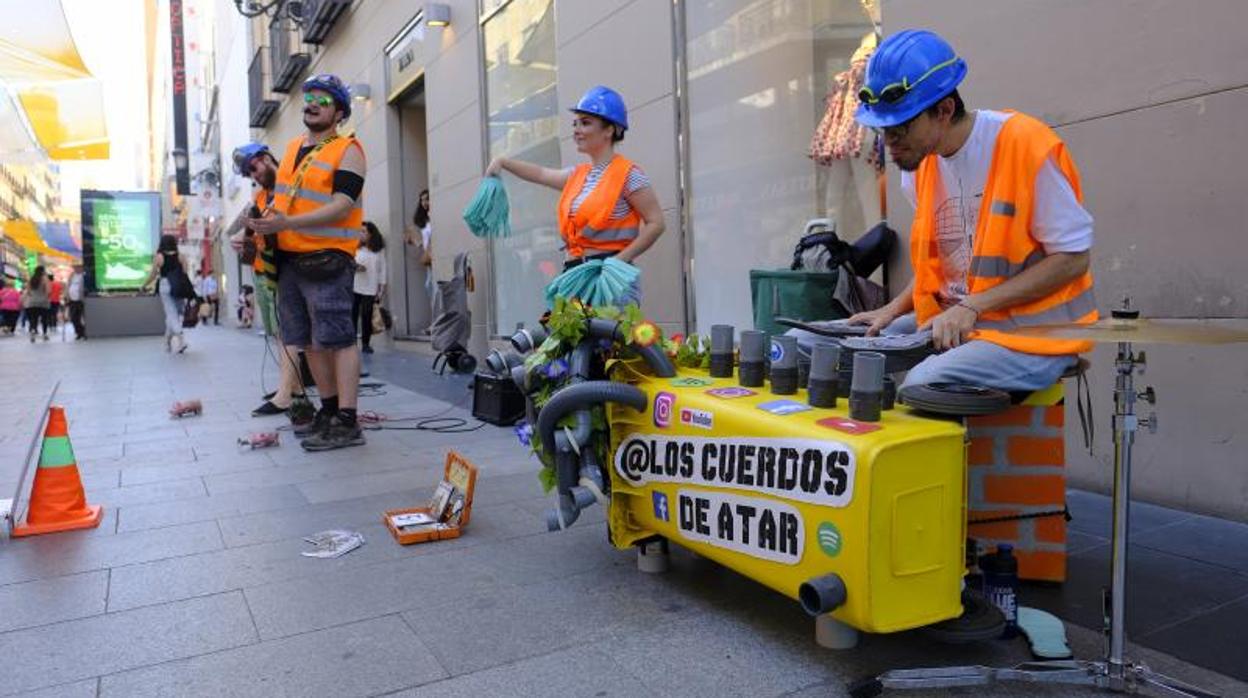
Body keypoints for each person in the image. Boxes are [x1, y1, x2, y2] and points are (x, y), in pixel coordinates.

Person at [790, 30, 1096, 393]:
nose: (889, 144)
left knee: (924, 383)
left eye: (900, 128)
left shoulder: (1025, 145)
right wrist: (892, 310)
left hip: (1033, 336)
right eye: (882, 130)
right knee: (802, 345)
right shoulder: (919, 167)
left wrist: (974, 306)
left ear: (944, 110)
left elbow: (1073, 259)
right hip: (954, 322)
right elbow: (944, 269)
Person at [247, 74, 367, 451]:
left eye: (323, 99)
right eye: (309, 97)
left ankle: (348, 419)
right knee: (308, 341)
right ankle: (328, 411)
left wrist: (287, 223)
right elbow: (283, 202)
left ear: (340, 112)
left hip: (328, 258)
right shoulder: (293, 147)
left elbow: (343, 205)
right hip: (289, 260)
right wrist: (261, 229)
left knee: (338, 339)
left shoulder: (348, 149)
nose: (312, 103)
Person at [485, 85, 665, 305]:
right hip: (577, 274)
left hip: (609, 278)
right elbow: (540, 173)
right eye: (576, 123)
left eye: (585, 123)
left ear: (610, 130)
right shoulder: (578, 176)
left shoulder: (629, 175)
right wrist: (504, 162)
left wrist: (619, 261)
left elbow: (656, 223)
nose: (577, 129)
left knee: (609, 339)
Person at [229, 142, 308, 417]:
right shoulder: (261, 199)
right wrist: (244, 241)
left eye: (253, 168)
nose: (254, 176)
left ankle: (288, 393)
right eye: (249, 174)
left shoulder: (292, 182)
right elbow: (260, 235)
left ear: (265, 158)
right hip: (272, 270)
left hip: (298, 265)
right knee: (283, 332)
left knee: (292, 333)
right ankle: (292, 389)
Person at [142, 234, 192, 353]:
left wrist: (144, 285)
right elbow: (185, 273)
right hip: (178, 286)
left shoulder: (159, 257)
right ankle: (168, 341)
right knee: (174, 313)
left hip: (165, 285)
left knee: (171, 313)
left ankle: (180, 337)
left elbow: (153, 274)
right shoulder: (181, 256)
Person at [353, 221, 387, 354]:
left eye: (364, 232)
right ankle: (352, 343)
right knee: (353, 315)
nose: (361, 234)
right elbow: (349, 262)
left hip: (370, 286)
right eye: (360, 231)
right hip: (355, 285)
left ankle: (366, 344)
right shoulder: (355, 248)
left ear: (371, 234)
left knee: (367, 315)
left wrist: (382, 286)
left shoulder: (379, 250)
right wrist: (356, 267)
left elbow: (382, 268)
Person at [406, 189, 433, 330]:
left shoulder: (434, 216)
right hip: (429, 258)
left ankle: (436, 324)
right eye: (422, 200)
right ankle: (435, 323)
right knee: (430, 288)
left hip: (435, 257)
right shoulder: (425, 220)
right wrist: (414, 240)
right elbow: (424, 243)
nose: (424, 202)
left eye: (427, 199)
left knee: (432, 288)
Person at [21, 266, 52, 342]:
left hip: (32, 302)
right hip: (43, 302)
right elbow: (48, 291)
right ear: (43, 271)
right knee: (44, 319)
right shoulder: (45, 279)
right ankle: (44, 334)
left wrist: (32, 296)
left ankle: (33, 332)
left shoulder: (31, 279)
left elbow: (28, 291)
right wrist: (46, 297)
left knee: (33, 319)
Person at [67, 264, 86, 339]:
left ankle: (85, 332)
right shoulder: (72, 276)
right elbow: (68, 285)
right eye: (75, 267)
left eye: (78, 267)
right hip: (72, 300)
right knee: (73, 317)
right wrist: (67, 295)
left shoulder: (84, 275)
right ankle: (79, 332)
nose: (76, 268)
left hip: (81, 300)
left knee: (84, 317)